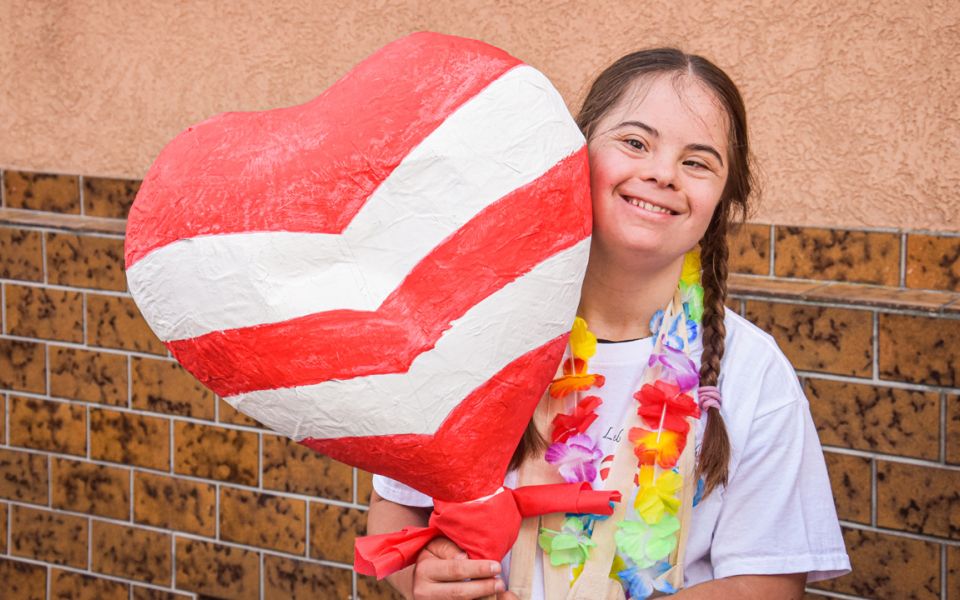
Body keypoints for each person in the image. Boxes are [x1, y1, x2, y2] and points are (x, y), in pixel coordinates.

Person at [367, 48, 850, 599]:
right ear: (577, 154)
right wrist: (422, 574)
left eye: (698, 161)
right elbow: (395, 511)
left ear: (723, 198)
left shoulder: (752, 371)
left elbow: (766, 584)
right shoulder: (478, 336)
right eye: (635, 143)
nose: (662, 174)